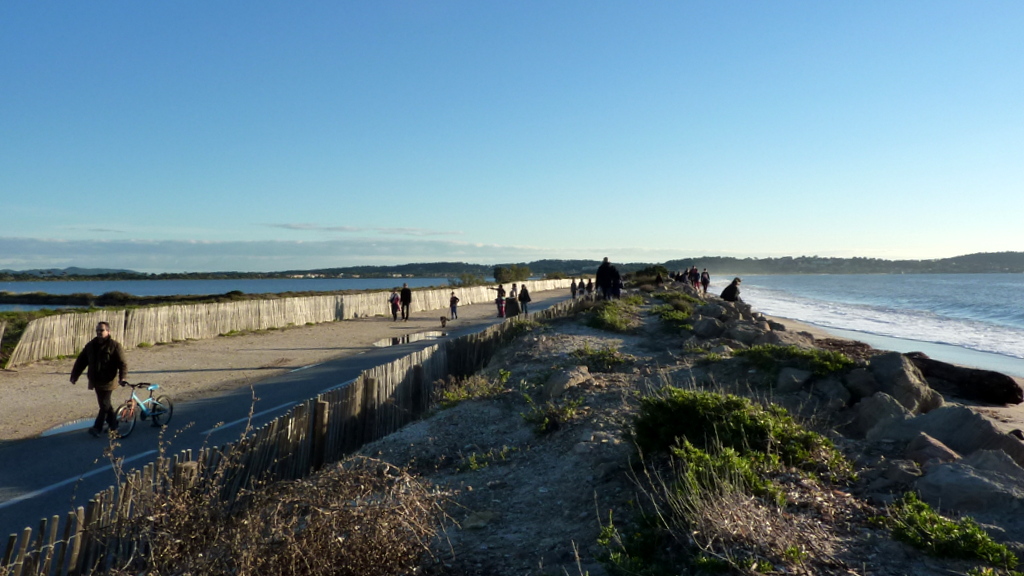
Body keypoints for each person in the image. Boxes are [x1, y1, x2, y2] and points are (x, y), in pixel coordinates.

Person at [70, 321, 128, 438]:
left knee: (104, 404)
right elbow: (81, 361)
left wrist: (122, 377)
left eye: (101, 330)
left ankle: (97, 428)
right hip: (95, 380)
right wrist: (74, 376)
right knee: (106, 405)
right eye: (97, 330)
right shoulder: (91, 345)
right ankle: (113, 426)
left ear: (108, 331)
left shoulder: (115, 346)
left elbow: (122, 363)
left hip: (108, 381)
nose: (99, 332)